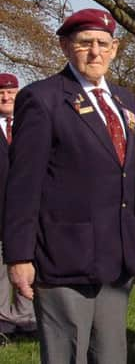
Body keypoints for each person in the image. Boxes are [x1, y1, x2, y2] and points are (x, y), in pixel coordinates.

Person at [2, 8, 135, 363]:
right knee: (68, 356)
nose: (95, 52)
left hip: (116, 258)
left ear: (114, 48)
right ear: (66, 47)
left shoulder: (122, 99)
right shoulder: (42, 98)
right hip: (64, 258)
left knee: (111, 356)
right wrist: (19, 256)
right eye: (84, 44)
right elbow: (23, 184)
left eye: (102, 43)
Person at [0, 73, 36, 335]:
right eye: (1, 93)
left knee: (28, 265)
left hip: (28, 213)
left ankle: (27, 319)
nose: (5, 97)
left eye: (11, 92)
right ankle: (3, 322)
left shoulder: (30, 124)